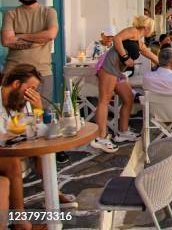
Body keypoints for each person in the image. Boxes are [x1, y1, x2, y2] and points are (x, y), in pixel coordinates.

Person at [0, 65, 78, 229]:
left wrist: (37, 109)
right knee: (12, 161)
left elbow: (38, 130)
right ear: (15, 84)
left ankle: (54, 196)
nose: (32, 93)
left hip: (11, 147)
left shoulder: (22, 100)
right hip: (4, 151)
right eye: (30, 88)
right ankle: (20, 223)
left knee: (43, 150)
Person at [93, 16, 159, 153]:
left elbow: (147, 52)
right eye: (152, 29)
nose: (152, 32)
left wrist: (164, 64)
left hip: (118, 71)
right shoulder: (133, 31)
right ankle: (100, 137)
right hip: (110, 66)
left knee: (128, 98)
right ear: (147, 27)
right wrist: (125, 57)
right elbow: (116, 39)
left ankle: (122, 132)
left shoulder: (138, 40)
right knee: (104, 100)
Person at [1, 0, 58, 106]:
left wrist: (20, 35)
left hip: (41, 72)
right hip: (12, 72)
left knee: (41, 114)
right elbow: (6, 41)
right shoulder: (11, 14)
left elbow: (50, 34)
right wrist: (38, 41)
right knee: (8, 113)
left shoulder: (49, 12)